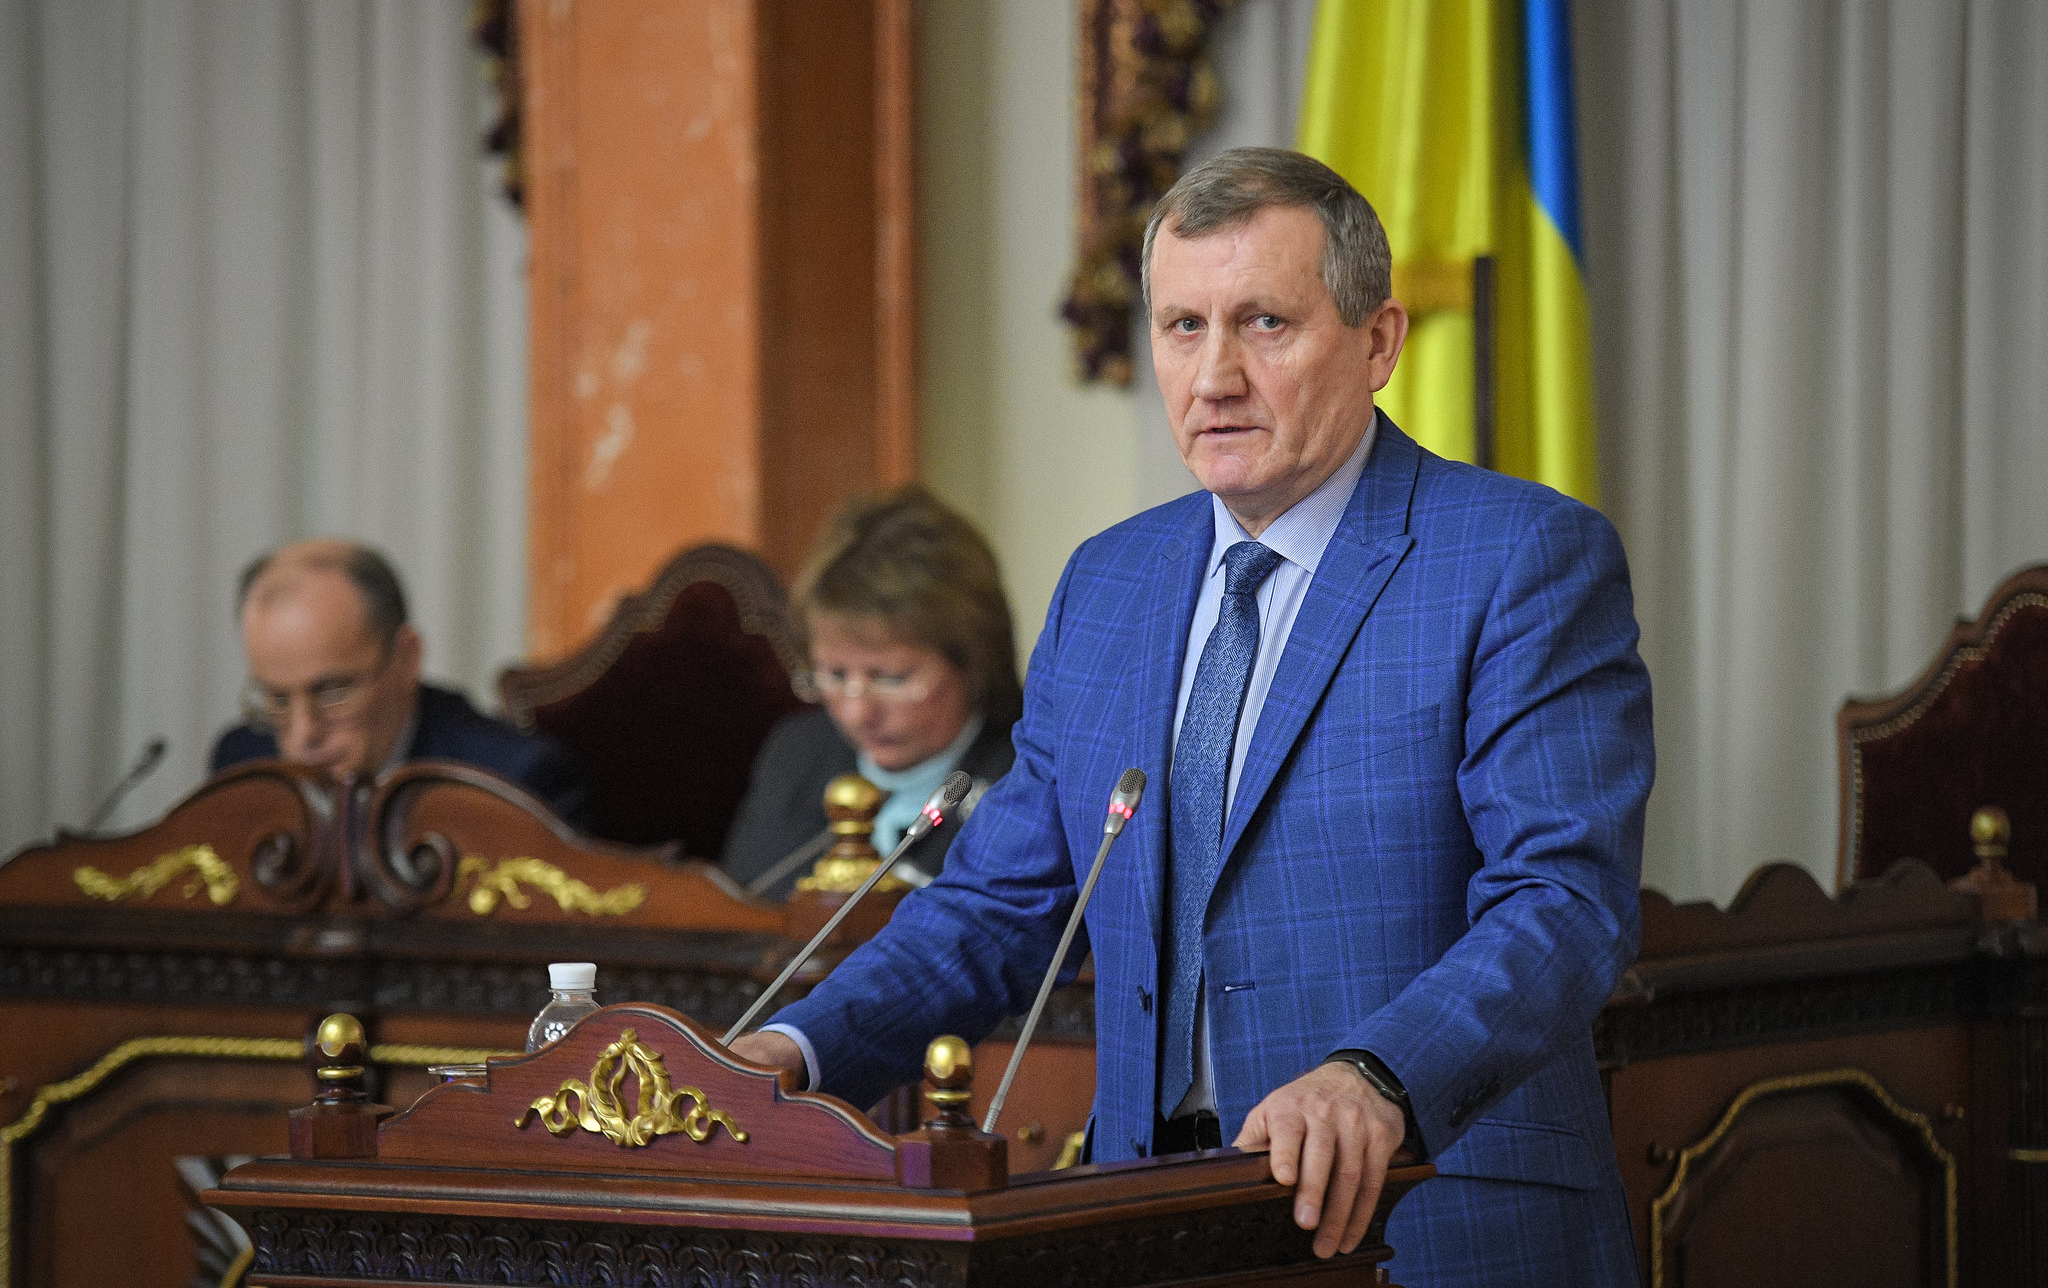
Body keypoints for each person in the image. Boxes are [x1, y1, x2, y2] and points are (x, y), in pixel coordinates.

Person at [734, 148, 1651, 1286]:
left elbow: (1564, 898)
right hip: (1150, 1224)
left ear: (1378, 343)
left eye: (1264, 323)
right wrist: (793, 1050)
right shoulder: (1107, 582)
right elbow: (997, 903)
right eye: (1181, 327)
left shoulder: (1518, 557)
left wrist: (1379, 1074)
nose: (1214, 376)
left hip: (1434, 1210)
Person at [718, 486, 1020, 898]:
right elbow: (741, 916)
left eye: (891, 678)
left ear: (974, 663)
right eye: (834, 674)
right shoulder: (797, 755)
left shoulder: (1029, 776)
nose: (857, 713)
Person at [211, 540, 587, 825]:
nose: (303, 735)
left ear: (407, 659)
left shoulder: (512, 786)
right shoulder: (240, 769)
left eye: (333, 693)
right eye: (277, 699)